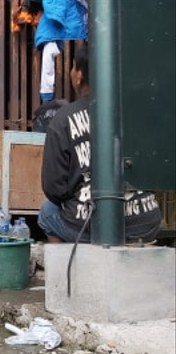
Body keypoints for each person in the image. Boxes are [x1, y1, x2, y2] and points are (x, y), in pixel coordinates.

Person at [38, 46, 162, 244]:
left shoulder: (63, 119)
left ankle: (70, 270)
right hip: (145, 221)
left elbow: (54, 189)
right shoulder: (137, 115)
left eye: (72, 68)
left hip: (88, 224)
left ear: (78, 75)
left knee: (47, 212)